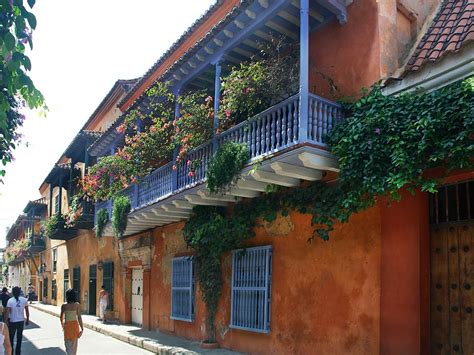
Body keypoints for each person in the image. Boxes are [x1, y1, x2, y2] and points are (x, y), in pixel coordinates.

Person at [60, 289, 83, 355]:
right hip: (75, 326)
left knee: (68, 346)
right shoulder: (77, 305)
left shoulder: (64, 305)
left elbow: (61, 317)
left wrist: (63, 326)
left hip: (67, 326)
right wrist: (82, 328)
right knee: (74, 346)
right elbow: (79, 317)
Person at [6, 287, 28, 355]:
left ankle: (11, 352)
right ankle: (18, 352)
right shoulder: (24, 300)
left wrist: (6, 321)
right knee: (19, 338)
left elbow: (7, 312)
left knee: (11, 338)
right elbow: (27, 310)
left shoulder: (10, 300)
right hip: (21, 321)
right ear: (20, 292)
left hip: (12, 322)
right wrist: (27, 319)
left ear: (12, 292)